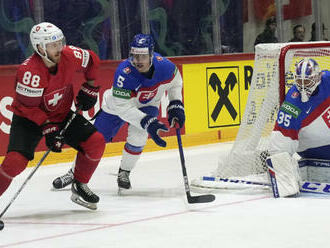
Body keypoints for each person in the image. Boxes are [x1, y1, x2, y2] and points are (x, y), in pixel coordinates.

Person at [52, 33, 185, 191]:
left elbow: (176, 83)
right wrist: (147, 121)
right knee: (95, 139)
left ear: (151, 55)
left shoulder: (166, 67)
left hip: (147, 104)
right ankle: (74, 173)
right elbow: (123, 108)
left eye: (142, 56)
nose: (138, 61)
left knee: (139, 136)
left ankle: (124, 172)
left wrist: (175, 103)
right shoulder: (124, 72)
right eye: (135, 56)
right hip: (116, 106)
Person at [0, 22, 106, 210]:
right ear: (40, 47)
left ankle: (79, 184)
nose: (59, 48)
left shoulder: (70, 55)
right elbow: (28, 108)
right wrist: (49, 129)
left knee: (95, 142)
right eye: (53, 45)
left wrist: (91, 86)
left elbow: (93, 60)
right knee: (15, 163)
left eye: (60, 43)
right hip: (29, 119)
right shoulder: (29, 72)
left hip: (61, 114)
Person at [266, 58, 330, 197]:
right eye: (299, 81)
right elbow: (280, 143)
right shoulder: (292, 105)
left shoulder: (328, 79)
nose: (303, 86)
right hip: (316, 149)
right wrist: (283, 177)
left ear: (318, 77)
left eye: (307, 81)